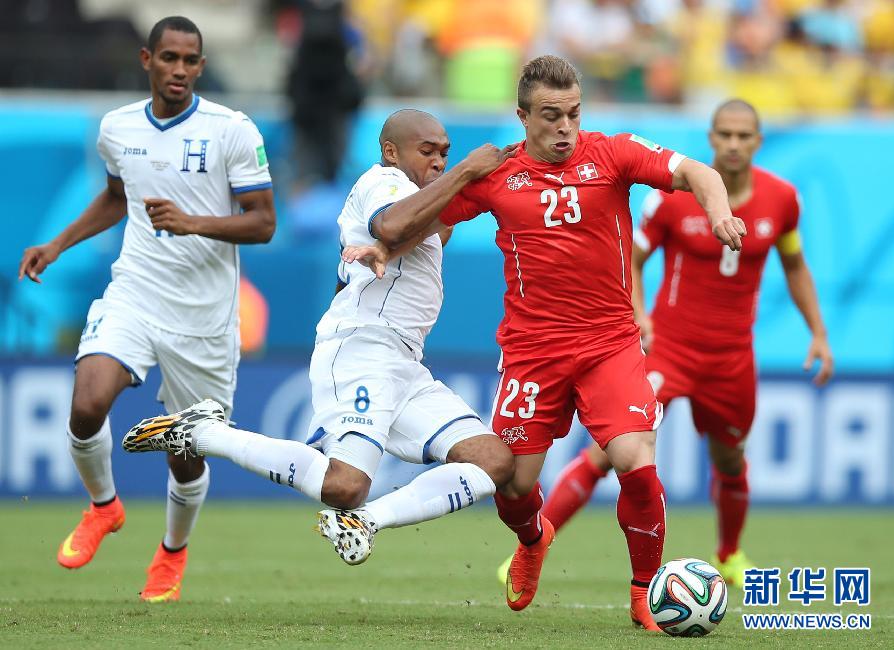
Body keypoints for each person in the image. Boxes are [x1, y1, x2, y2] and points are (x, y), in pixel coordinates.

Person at [346, 54, 746, 630]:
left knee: (636, 462)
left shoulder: (612, 153)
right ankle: (533, 538)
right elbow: (432, 223)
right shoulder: (497, 176)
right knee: (512, 482)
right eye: (551, 116)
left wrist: (719, 212)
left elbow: (700, 174)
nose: (565, 128)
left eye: (573, 114)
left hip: (610, 343)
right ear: (523, 116)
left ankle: (643, 597)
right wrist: (385, 249)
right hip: (534, 352)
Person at [122, 110, 516, 567]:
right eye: (426, 151)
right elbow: (391, 225)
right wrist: (468, 170)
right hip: (362, 349)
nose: (438, 161)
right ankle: (203, 432)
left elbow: (420, 231)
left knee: (495, 463)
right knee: (344, 486)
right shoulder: (383, 183)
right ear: (391, 151)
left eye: (445, 153)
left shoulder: (420, 200)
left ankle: (366, 522)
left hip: (404, 363)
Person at [17, 16, 276, 602]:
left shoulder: (231, 131)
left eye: (190, 60)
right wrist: (57, 244)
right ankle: (104, 507)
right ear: (147, 60)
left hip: (205, 319)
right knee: (87, 403)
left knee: (185, 455)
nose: (179, 70)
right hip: (135, 291)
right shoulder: (117, 128)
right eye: (169, 59)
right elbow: (116, 197)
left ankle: (171, 554)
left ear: (201, 67)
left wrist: (192, 223)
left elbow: (264, 222)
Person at [537, 99, 834, 587]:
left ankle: (730, 554)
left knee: (730, 459)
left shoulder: (783, 200)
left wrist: (819, 334)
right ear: (711, 138)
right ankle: (535, 544)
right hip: (669, 351)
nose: (734, 144)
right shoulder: (673, 198)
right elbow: (630, 257)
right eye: (725, 135)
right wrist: (638, 313)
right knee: (610, 451)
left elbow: (795, 265)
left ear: (758, 142)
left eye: (744, 136)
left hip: (732, 358)